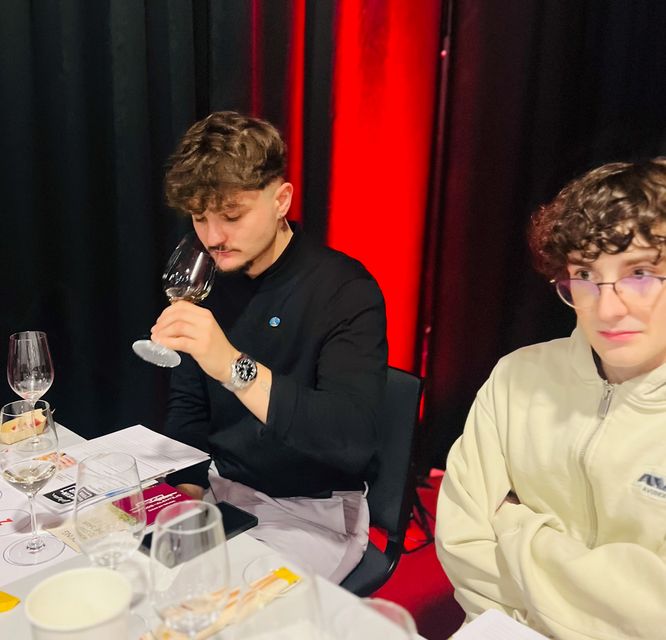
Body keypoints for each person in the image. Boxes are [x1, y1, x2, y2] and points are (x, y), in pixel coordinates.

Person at [150, 111, 387, 583]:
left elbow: (349, 441)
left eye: (232, 216)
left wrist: (232, 366)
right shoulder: (210, 278)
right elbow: (189, 409)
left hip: (312, 512)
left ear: (281, 200)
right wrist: (185, 498)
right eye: (200, 217)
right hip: (222, 490)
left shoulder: (345, 290)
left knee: (221, 609)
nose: (213, 237)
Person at [436, 158, 666, 638]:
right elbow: (460, 541)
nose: (607, 307)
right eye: (585, 275)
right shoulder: (517, 377)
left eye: (641, 272)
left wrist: (514, 528)